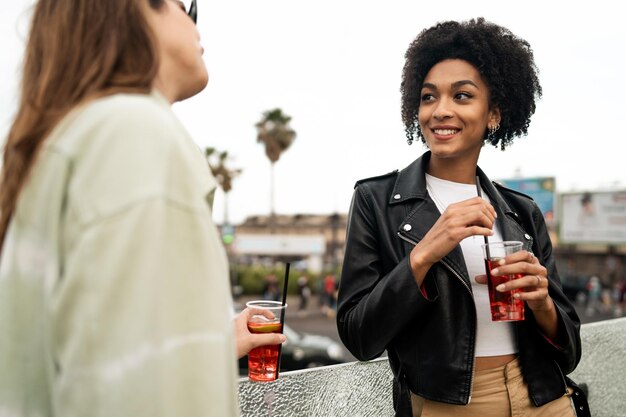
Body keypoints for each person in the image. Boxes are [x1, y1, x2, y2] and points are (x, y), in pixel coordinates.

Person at [0, 1, 283, 416]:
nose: (193, 22)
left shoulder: (71, 143)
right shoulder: (136, 135)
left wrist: (205, 345)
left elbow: (93, 367)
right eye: (184, 5)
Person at [337, 18, 582, 417]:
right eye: (429, 97)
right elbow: (359, 337)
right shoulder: (376, 200)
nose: (440, 111)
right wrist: (422, 255)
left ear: (494, 114)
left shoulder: (521, 210)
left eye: (462, 96)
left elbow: (570, 352)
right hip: (451, 405)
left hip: (544, 397)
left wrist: (543, 305)